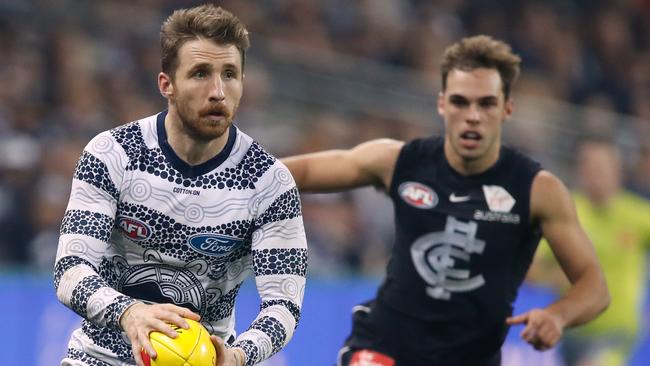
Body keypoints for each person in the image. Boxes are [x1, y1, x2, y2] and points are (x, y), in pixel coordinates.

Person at [282, 35, 609, 365]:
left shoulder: (537, 190)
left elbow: (594, 286)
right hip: (384, 346)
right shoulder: (400, 161)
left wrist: (557, 315)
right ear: (442, 104)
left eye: (486, 103)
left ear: (507, 108)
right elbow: (303, 172)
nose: (472, 116)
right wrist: (236, 175)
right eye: (460, 102)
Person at [53, 5, 307, 366]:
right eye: (201, 73)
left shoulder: (270, 183)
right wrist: (130, 313)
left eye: (230, 74)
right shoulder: (112, 154)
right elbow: (71, 269)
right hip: (99, 359)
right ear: (166, 84)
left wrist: (238, 356)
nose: (218, 91)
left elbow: (283, 305)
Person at [530, 138, 650, 366]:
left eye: (602, 169)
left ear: (617, 172)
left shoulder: (638, 215)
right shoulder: (566, 210)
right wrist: (554, 277)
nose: (596, 176)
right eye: (590, 168)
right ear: (580, 171)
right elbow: (533, 268)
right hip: (571, 329)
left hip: (617, 332)